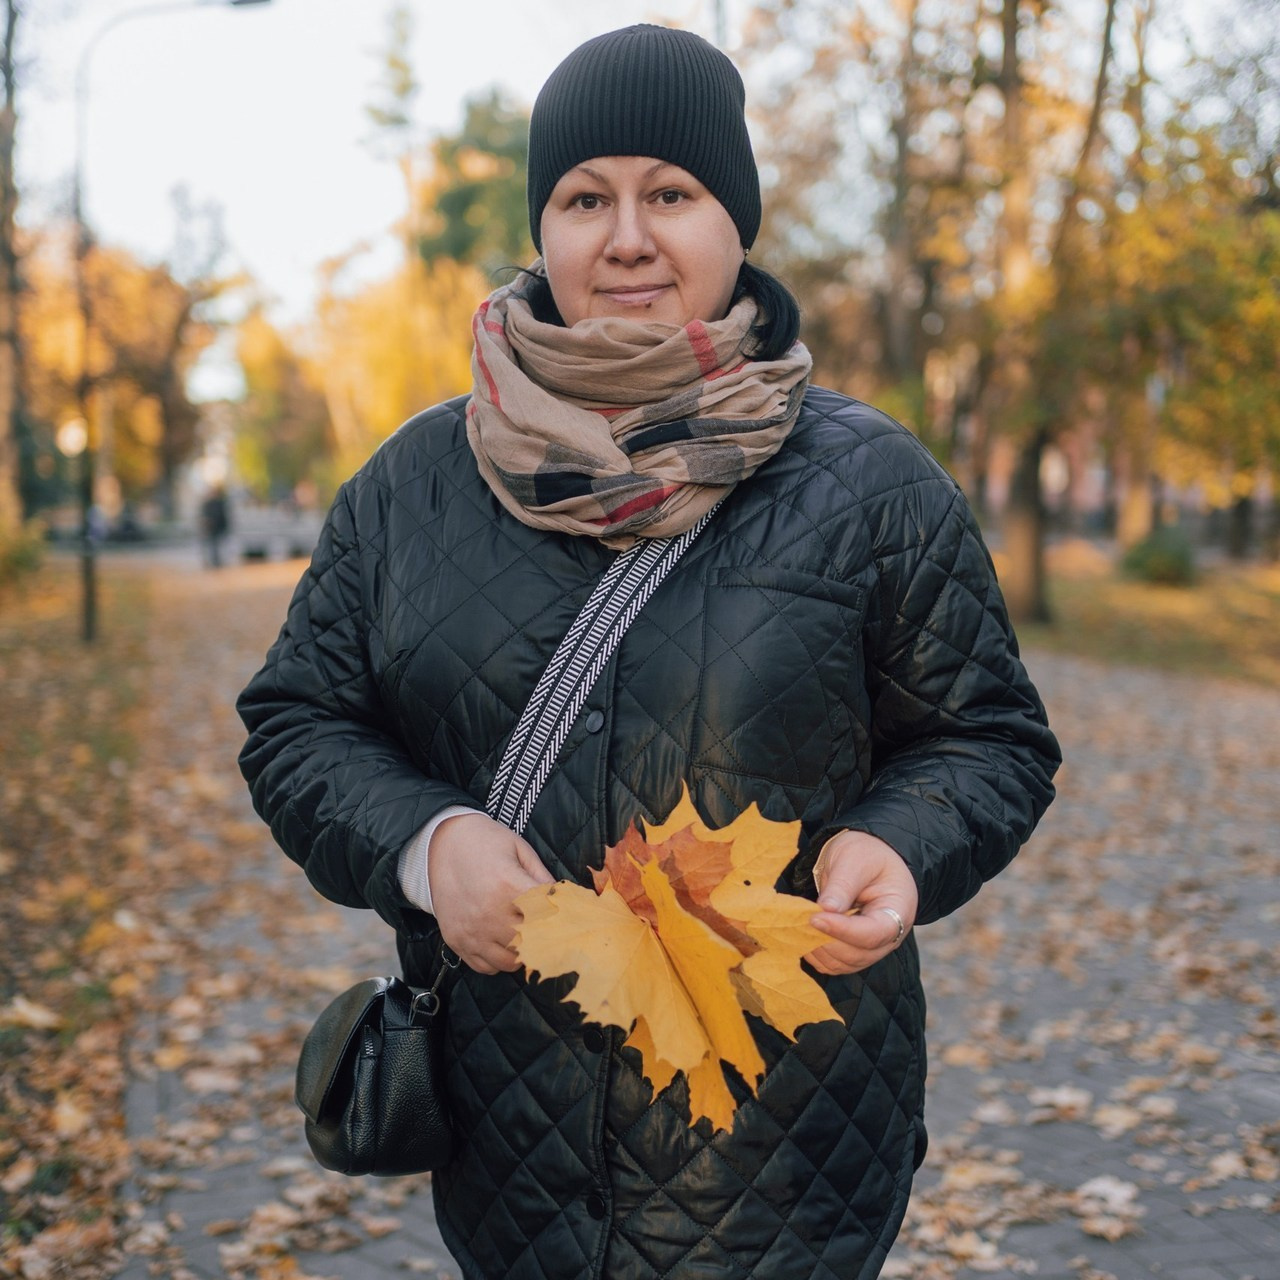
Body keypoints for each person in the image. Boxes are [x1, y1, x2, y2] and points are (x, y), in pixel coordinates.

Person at [238, 24, 1060, 1280]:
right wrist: (424, 843)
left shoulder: (869, 482)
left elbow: (987, 735)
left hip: (788, 1146)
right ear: (544, 229)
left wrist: (903, 839)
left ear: (733, 222)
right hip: (509, 1147)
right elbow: (297, 720)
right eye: (583, 198)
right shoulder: (413, 484)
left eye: (668, 193)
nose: (625, 236)